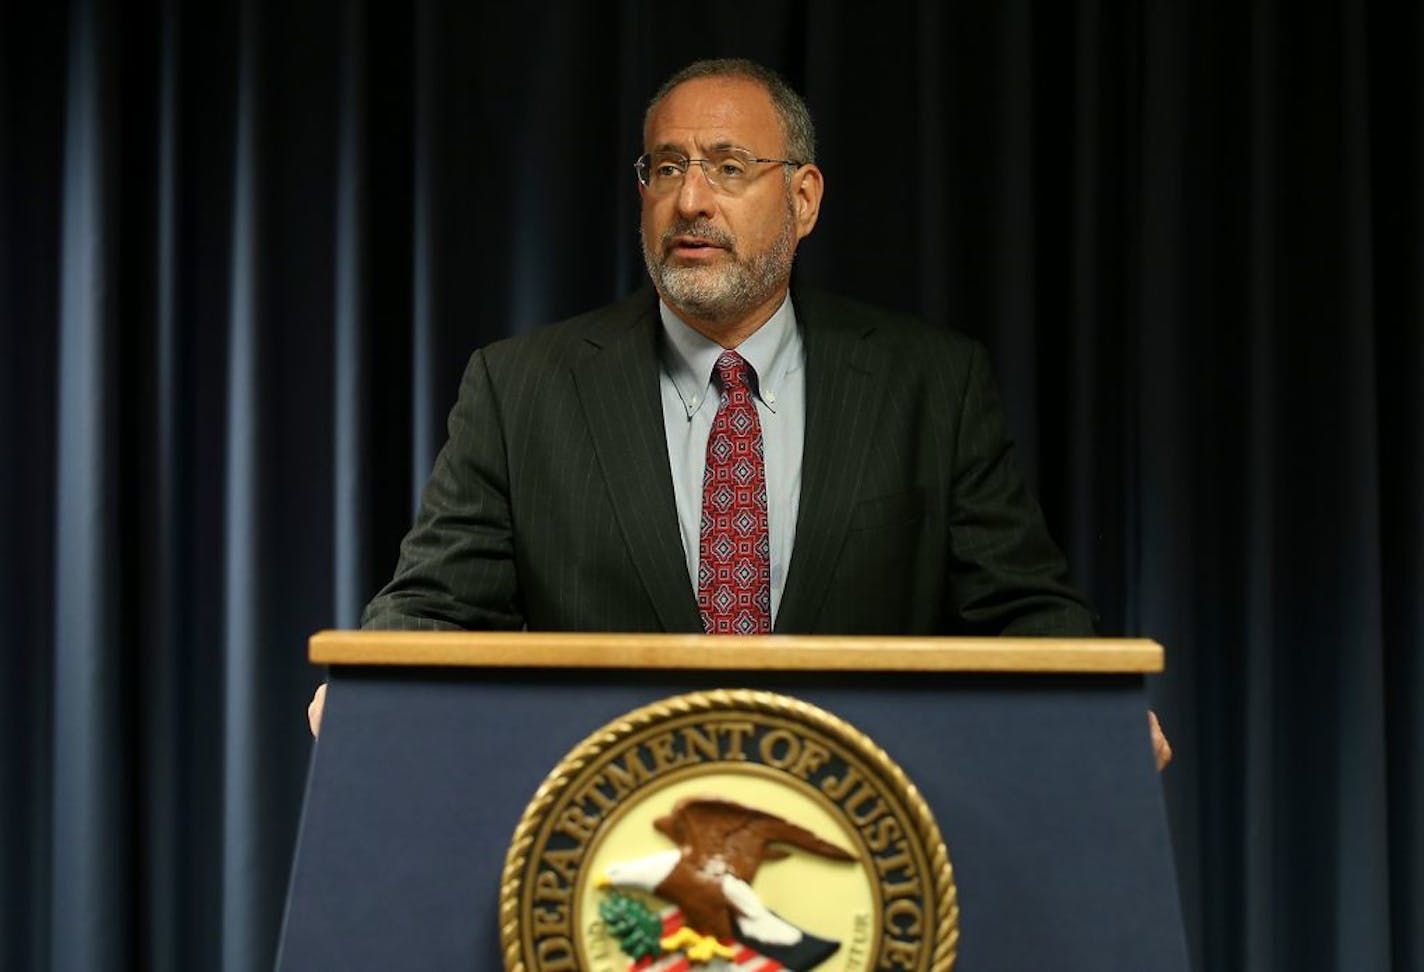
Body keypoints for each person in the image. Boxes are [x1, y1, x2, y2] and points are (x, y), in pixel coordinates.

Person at [308, 58, 1171, 770]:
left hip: (858, 842)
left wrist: (1094, 709)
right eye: (667, 168)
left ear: (802, 198)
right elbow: (435, 608)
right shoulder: (520, 386)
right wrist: (376, 685)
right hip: (606, 853)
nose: (691, 200)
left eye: (727, 166)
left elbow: (1021, 607)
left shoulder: (929, 386)